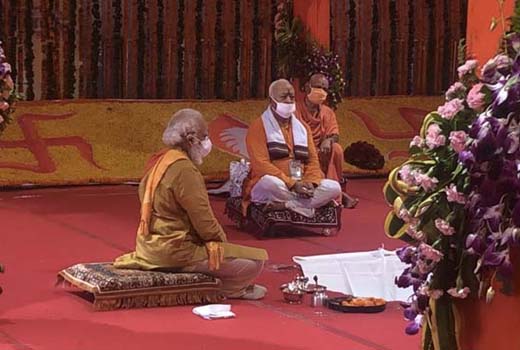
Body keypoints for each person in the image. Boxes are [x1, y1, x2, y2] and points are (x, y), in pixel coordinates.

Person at [114, 108, 268, 300]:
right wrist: (222, 245)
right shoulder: (184, 170)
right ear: (191, 139)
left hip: (148, 247)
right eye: (204, 136)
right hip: (176, 252)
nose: (207, 142)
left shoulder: (158, 160)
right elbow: (204, 221)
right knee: (255, 261)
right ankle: (229, 288)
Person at [242, 79, 341, 218]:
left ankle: (288, 205)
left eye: (292, 97)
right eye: (283, 97)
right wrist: (292, 184)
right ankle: (307, 206)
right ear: (271, 101)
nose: (289, 101)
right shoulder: (258, 127)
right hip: (274, 186)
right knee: (270, 182)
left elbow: (313, 161)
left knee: (334, 187)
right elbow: (261, 165)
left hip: (300, 184)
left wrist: (311, 182)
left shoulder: (302, 128)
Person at [295, 73, 358, 209]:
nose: (321, 92)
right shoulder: (295, 110)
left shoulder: (327, 112)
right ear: (307, 87)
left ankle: (334, 193)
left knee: (336, 149)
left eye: (324, 89)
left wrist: (328, 140)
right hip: (301, 150)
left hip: (321, 151)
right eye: (317, 87)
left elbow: (334, 134)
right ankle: (337, 195)